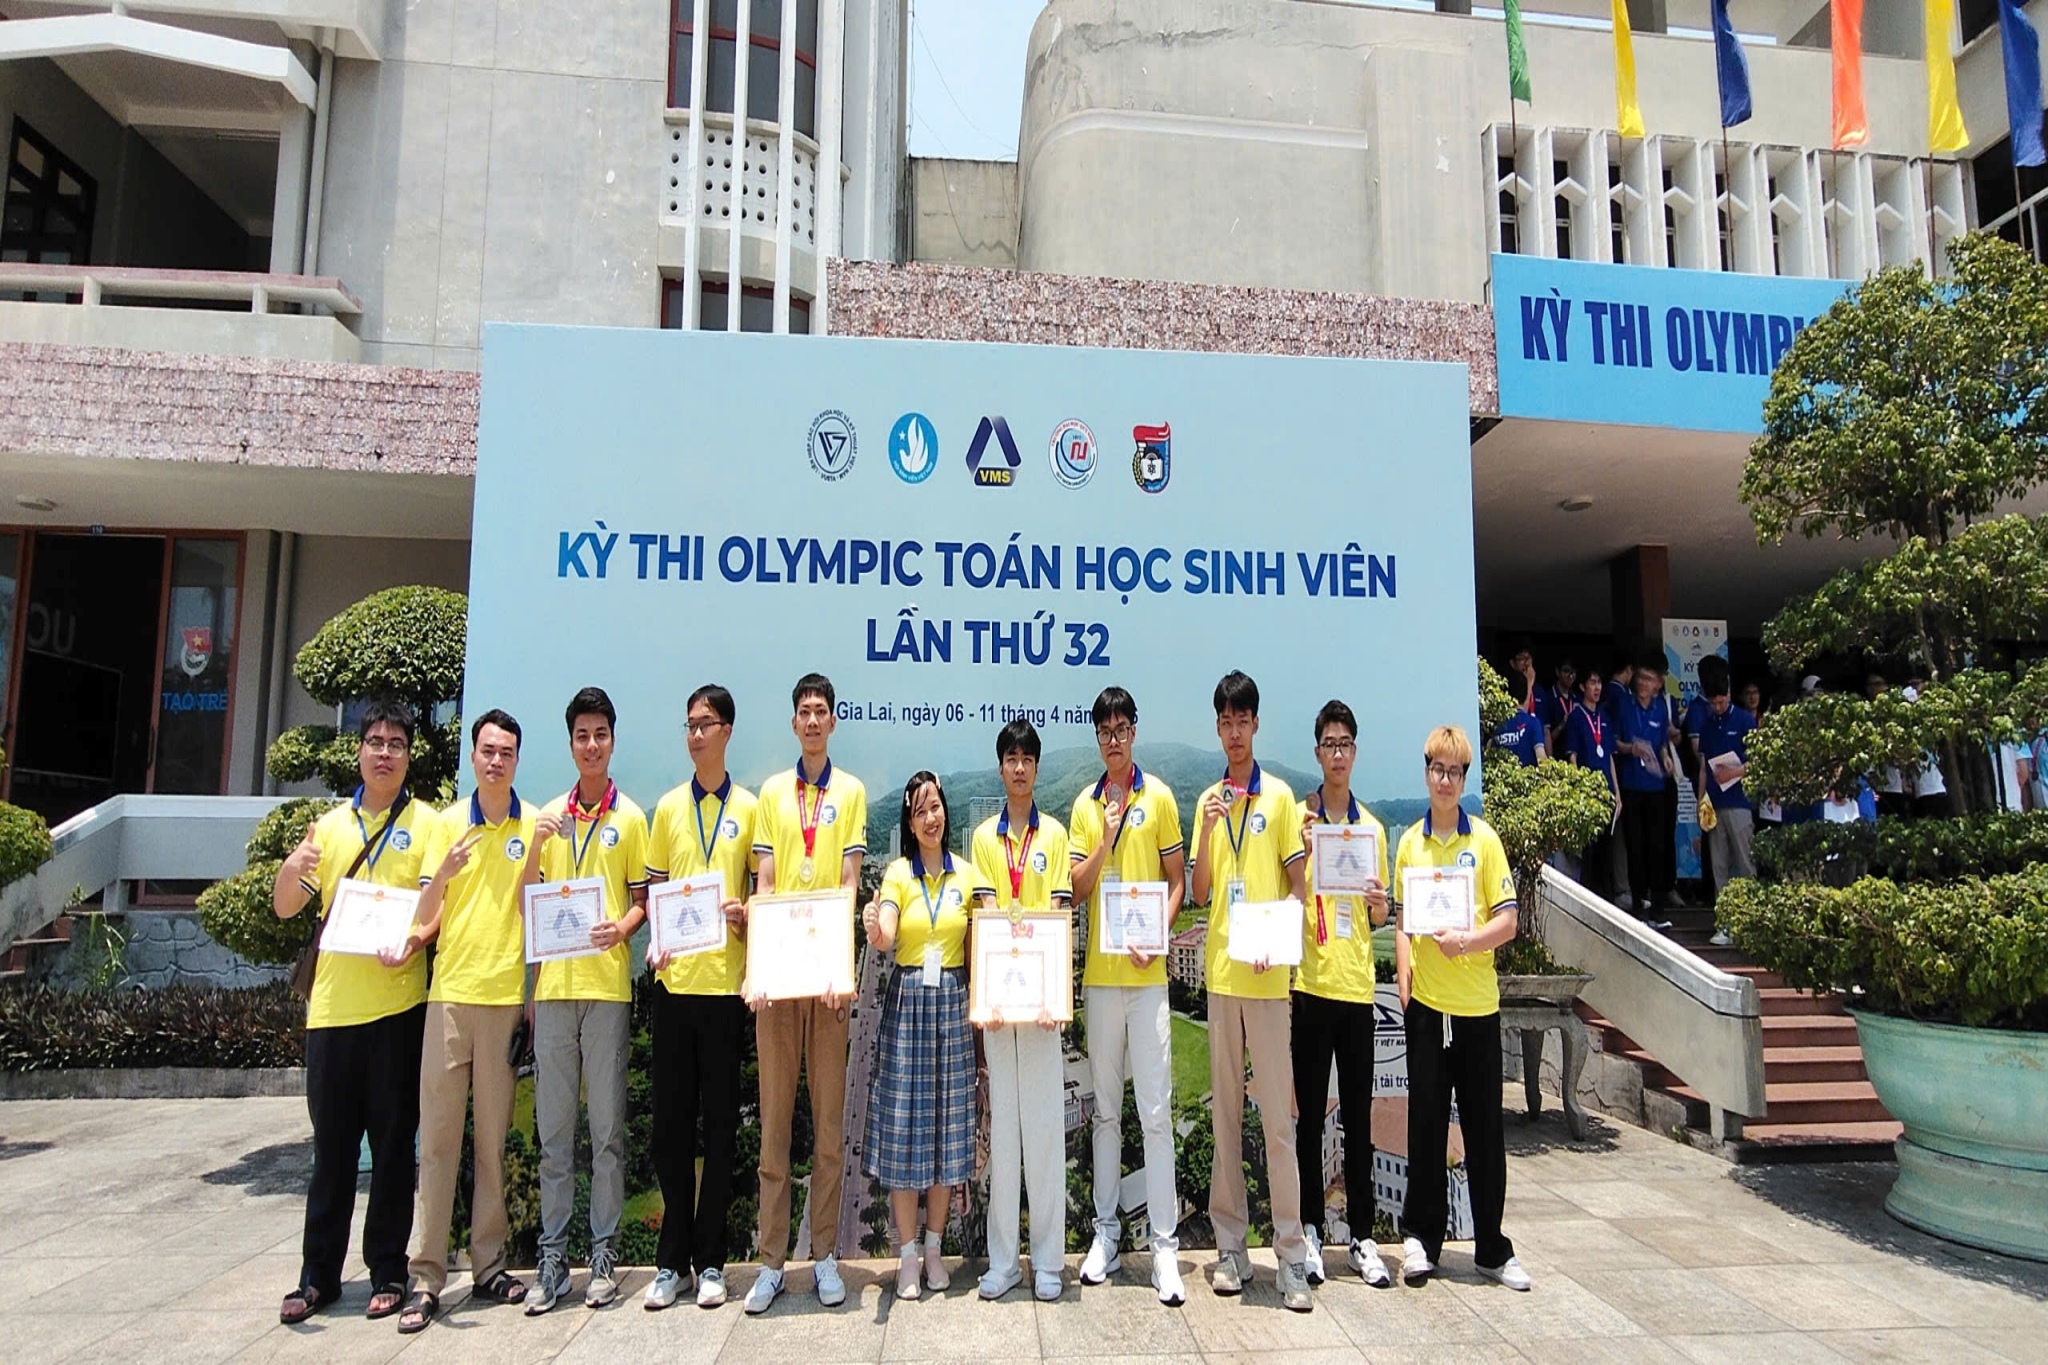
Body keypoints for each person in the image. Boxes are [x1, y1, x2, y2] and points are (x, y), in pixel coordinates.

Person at [274, 699, 439, 1326]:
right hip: (334, 1012)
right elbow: (288, 906)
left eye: (397, 743)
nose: (386, 753)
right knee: (334, 1150)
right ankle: (316, 1275)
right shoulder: (329, 825)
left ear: (408, 755)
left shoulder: (425, 823)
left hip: (398, 1008)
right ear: (359, 750)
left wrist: (417, 942)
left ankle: (388, 1271)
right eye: (376, 741)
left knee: (395, 1146)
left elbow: (434, 905)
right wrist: (292, 869)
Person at [399, 709, 537, 1332]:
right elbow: (423, 913)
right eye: (487, 749)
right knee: (438, 1143)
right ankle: (425, 1276)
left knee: (491, 1144)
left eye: (506, 751)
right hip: (449, 999)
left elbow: (539, 915)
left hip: (505, 997)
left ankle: (488, 1266)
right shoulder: (447, 824)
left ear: (516, 759)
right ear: (472, 755)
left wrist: (532, 998)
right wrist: (444, 875)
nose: (496, 760)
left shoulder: (533, 824)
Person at [1189, 671, 1314, 1312]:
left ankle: (1290, 1254)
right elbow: (1204, 893)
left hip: (1267, 980)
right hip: (1221, 977)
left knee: (1277, 1121)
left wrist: (1280, 940)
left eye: (1243, 721)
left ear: (1256, 725)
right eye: (1225, 721)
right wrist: (1208, 830)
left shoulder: (1283, 799)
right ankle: (1231, 1247)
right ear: (1216, 727)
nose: (1234, 732)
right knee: (1226, 1120)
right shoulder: (1209, 799)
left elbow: (1298, 886)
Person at [744, 673, 867, 1315]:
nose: (813, 720)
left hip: (824, 984)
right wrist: (757, 970)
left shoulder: (849, 792)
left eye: (822, 711)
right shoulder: (771, 792)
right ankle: (770, 1261)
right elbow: (764, 881)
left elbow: (848, 884)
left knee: (825, 1127)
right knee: (773, 1126)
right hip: (780, 982)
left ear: (833, 721)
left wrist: (840, 969)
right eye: (804, 711)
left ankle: (822, 1255)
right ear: (793, 723)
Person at [523, 688, 649, 1314]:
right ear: (570, 743)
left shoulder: (631, 817)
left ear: (612, 740)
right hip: (553, 992)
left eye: (601, 734)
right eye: (582, 735)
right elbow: (527, 903)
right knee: (554, 1133)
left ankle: (602, 1252)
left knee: (605, 1132)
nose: (591, 745)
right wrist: (533, 850)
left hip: (604, 990)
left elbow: (641, 900)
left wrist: (621, 930)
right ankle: (552, 1258)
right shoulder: (547, 818)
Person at [1392, 726, 1530, 1294]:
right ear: (1425, 773)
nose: (1445, 780)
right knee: (1424, 1127)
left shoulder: (1486, 841)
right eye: (1437, 769)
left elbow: (1509, 920)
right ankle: (1422, 1241)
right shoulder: (1410, 843)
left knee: (1482, 1130)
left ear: (1464, 779)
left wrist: (1467, 942)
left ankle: (1493, 1248)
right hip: (1427, 1008)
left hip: (1476, 1008)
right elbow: (1401, 919)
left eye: (1455, 772)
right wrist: (1404, 978)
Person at [1067, 687, 1188, 1305]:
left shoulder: (1161, 797)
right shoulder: (1085, 806)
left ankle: (1165, 1247)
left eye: (1122, 728)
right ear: (1097, 738)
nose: (1114, 739)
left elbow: (1178, 882)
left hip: (1147, 980)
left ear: (1135, 732)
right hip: (1101, 984)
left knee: (1157, 1114)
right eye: (1104, 730)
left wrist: (1160, 935)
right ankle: (1107, 1234)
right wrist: (1106, 837)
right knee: (1107, 1112)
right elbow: (1078, 888)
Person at [643, 685, 756, 1311]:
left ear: (728, 731)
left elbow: (760, 892)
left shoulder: (751, 806)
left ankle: (711, 1260)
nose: (694, 734)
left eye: (705, 724)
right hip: (673, 987)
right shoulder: (666, 809)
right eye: (688, 724)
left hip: (723, 990)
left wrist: (746, 914)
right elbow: (657, 897)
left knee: (719, 1130)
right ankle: (671, 1264)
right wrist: (658, 943)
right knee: (670, 1129)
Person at [969, 719, 1075, 1303]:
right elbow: (986, 916)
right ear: (1001, 766)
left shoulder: (1054, 835)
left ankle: (1051, 1261)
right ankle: (1005, 1260)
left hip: (1040, 1009)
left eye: (1026, 758)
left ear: (1036, 767)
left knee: (1043, 1133)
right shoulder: (985, 837)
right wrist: (986, 998)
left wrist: (1056, 996)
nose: (1017, 767)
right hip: (1001, 1004)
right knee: (1003, 1133)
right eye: (1009, 757)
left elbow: (1060, 913)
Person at [861, 771, 976, 1301]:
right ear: (909, 822)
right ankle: (906, 1255)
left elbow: (985, 941)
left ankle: (934, 1249)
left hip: (952, 1004)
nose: (932, 817)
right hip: (908, 1003)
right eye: (921, 810)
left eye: (937, 807)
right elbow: (886, 933)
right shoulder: (898, 875)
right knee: (907, 1132)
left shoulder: (967, 878)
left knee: (947, 1133)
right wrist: (874, 929)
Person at [1292, 700, 1392, 1291]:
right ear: (1317, 752)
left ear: (1355, 752)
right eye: (1328, 744)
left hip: (1356, 988)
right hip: (1309, 986)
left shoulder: (1371, 828)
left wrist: (1381, 905)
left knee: (1359, 1118)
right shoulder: (1302, 820)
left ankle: (1361, 1236)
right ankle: (1308, 1229)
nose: (1336, 754)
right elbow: (1294, 893)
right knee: (1308, 1120)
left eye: (1345, 744)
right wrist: (1304, 851)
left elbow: (1377, 912)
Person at [1688, 675, 1756, 945]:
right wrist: (1700, 800)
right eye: (1714, 703)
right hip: (1715, 803)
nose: (1718, 706)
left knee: (1745, 862)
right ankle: (1725, 923)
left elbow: (1757, 759)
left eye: (1722, 702)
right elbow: (1704, 766)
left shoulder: (1744, 721)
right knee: (1719, 865)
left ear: (1728, 696)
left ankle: (1750, 922)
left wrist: (1735, 771)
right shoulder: (1706, 724)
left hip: (1739, 801)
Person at [1613, 656, 1674, 920]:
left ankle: (1658, 906)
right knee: (1635, 845)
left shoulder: (1661, 708)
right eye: (1641, 678)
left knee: (1657, 846)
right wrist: (1630, 748)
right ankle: (1638, 902)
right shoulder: (1624, 705)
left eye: (1650, 679)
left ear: (1659, 684)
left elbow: (1661, 742)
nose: (1643, 683)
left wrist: (1666, 756)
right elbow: (1614, 741)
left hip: (1656, 784)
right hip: (1631, 784)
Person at [1557, 670, 1620, 901]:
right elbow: (1571, 755)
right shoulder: (1575, 717)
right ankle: (1590, 900)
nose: (1597, 687)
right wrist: (1578, 790)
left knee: (1607, 850)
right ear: (1582, 687)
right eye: (1592, 682)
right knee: (1589, 852)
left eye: (1599, 682)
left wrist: (1618, 793)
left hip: (1607, 793)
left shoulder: (1604, 716)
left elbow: (1610, 756)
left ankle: (1608, 899)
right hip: (1587, 794)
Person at [1490, 676, 1547, 768]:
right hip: (1528, 781)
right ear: (1525, 695)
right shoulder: (1533, 723)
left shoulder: (1497, 726)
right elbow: (1542, 760)